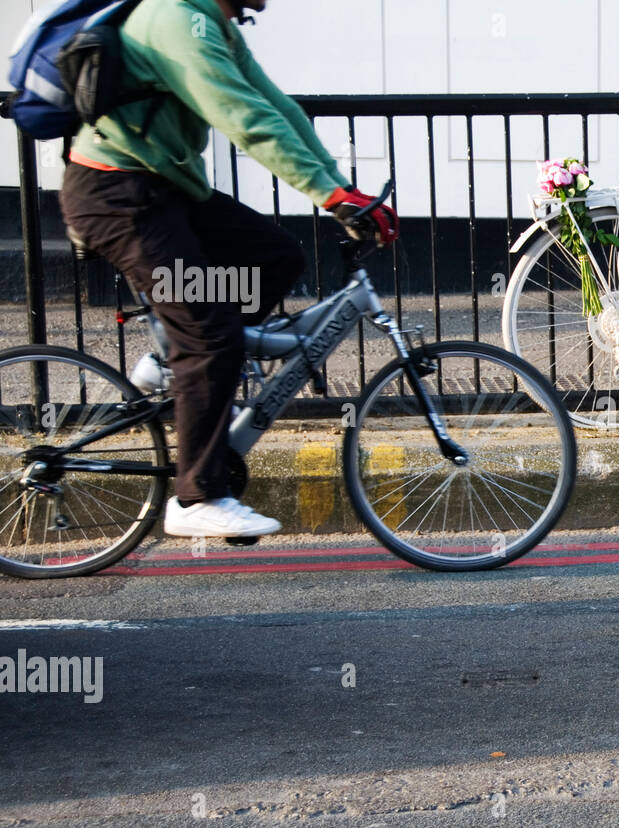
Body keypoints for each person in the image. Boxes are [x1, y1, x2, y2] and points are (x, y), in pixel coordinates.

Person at [58, 0, 398, 538]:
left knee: (275, 256)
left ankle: (173, 355)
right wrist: (329, 195)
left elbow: (275, 106)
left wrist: (342, 187)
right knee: (211, 336)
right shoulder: (177, 18)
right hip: (118, 194)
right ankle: (197, 496)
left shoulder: (213, 21)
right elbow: (244, 116)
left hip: (165, 190)